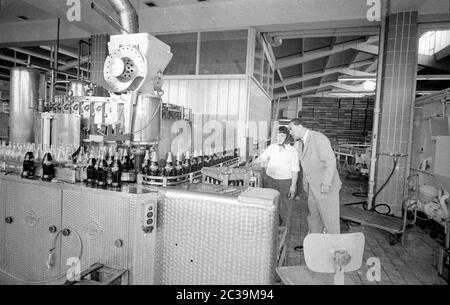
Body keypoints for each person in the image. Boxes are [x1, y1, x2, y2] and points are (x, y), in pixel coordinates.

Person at [288, 118, 342, 234]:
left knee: (329, 220)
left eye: (291, 129)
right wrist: (305, 181)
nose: (290, 133)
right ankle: (314, 244)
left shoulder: (318, 138)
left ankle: (332, 248)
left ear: (300, 126)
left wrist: (326, 183)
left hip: (326, 186)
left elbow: (330, 161)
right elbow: (306, 164)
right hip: (313, 186)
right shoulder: (300, 143)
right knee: (314, 216)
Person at [253, 126, 299, 226]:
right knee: (270, 202)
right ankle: (271, 224)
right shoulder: (272, 147)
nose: (279, 138)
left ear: (287, 137)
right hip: (270, 179)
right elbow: (262, 158)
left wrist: (292, 187)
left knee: (285, 204)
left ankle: (286, 226)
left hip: (285, 182)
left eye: (282, 136)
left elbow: (295, 170)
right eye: (278, 136)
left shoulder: (293, 151)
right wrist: (252, 163)